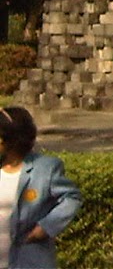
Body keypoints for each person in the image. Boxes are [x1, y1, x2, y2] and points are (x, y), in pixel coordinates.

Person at [1, 106, 80, 269]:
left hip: (27, 261)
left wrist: (46, 227)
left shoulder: (45, 168)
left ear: (11, 140)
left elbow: (72, 197)